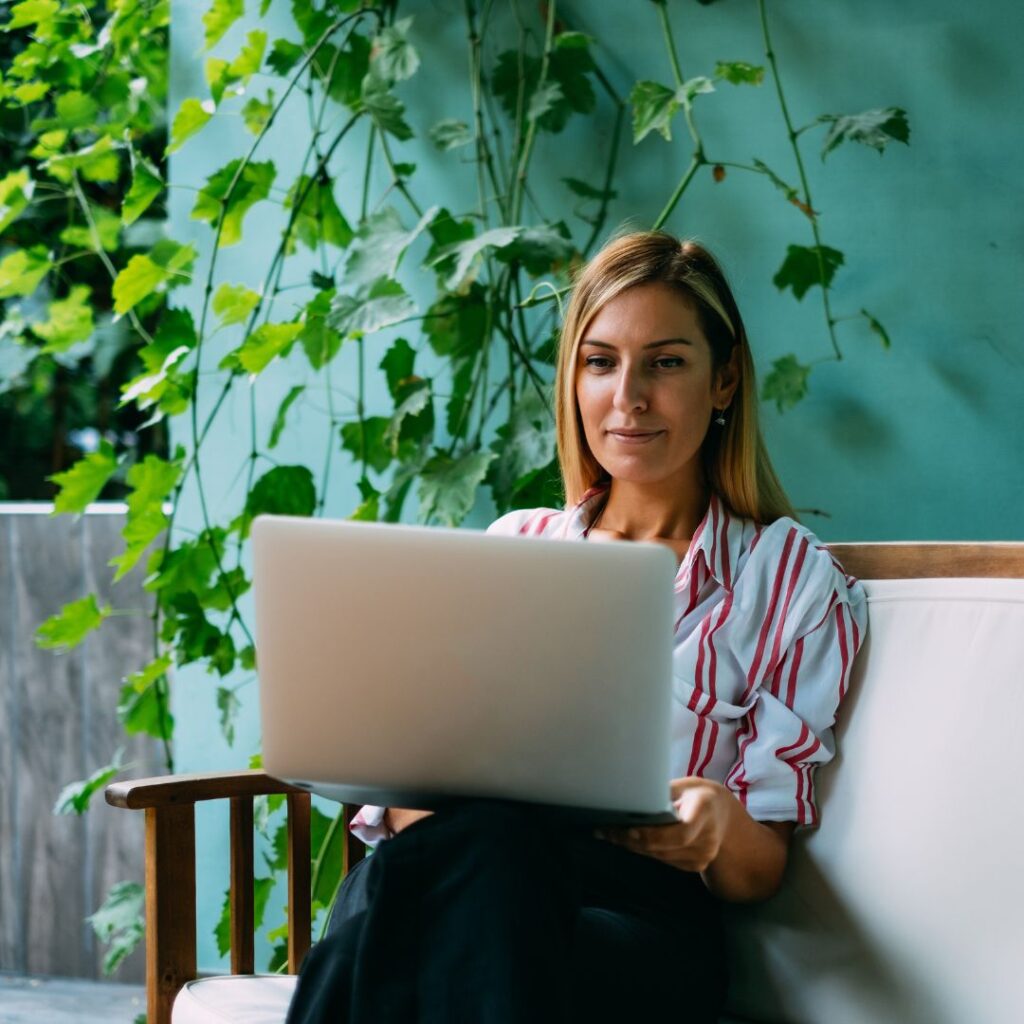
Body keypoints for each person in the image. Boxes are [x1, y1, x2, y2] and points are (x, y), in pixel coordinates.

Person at [285, 230, 868, 1023]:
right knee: (477, 852)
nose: (628, 396)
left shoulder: (788, 577)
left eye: (665, 362)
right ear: (573, 380)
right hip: (459, 877)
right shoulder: (513, 548)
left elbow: (759, 868)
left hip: (631, 918)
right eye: (600, 362)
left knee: (380, 937)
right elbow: (404, 810)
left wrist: (716, 823)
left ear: (724, 379)